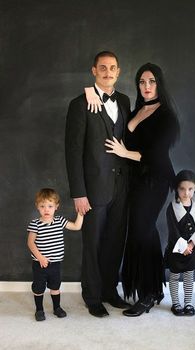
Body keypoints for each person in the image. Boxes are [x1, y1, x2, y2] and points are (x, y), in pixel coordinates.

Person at [86, 62, 180, 317]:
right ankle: (145, 291)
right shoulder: (134, 108)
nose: (146, 87)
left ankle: (150, 294)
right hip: (135, 181)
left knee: (143, 231)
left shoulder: (166, 116)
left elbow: (158, 155)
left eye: (151, 81)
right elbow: (106, 103)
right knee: (138, 233)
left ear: (159, 84)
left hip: (156, 181)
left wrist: (125, 152)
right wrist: (89, 90)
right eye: (142, 82)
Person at [65, 51, 131, 318]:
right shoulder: (79, 105)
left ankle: (109, 291)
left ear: (119, 71)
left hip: (121, 187)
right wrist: (78, 193)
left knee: (115, 242)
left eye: (112, 67)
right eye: (102, 68)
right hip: (92, 190)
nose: (107, 72)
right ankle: (92, 297)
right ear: (94, 71)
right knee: (92, 243)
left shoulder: (125, 101)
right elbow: (73, 152)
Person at [27, 188, 83, 321]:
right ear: (37, 206)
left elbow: (76, 226)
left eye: (50, 206)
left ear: (56, 207)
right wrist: (40, 257)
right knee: (39, 288)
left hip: (55, 264)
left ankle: (57, 307)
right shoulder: (35, 224)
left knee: (55, 287)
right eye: (42, 206)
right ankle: (39, 310)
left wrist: (81, 213)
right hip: (39, 264)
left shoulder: (60, 221)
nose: (46, 209)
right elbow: (30, 243)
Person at [164, 170, 195, 316]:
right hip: (176, 249)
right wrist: (183, 247)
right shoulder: (172, 208)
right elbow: (173, 231)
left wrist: (191, 245)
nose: (186, 193)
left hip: (192, 249)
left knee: (189, 275)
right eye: (182, 189)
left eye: (190, 189)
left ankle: (188, 303)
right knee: (174, 276)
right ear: (177, 188)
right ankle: (176, 303)